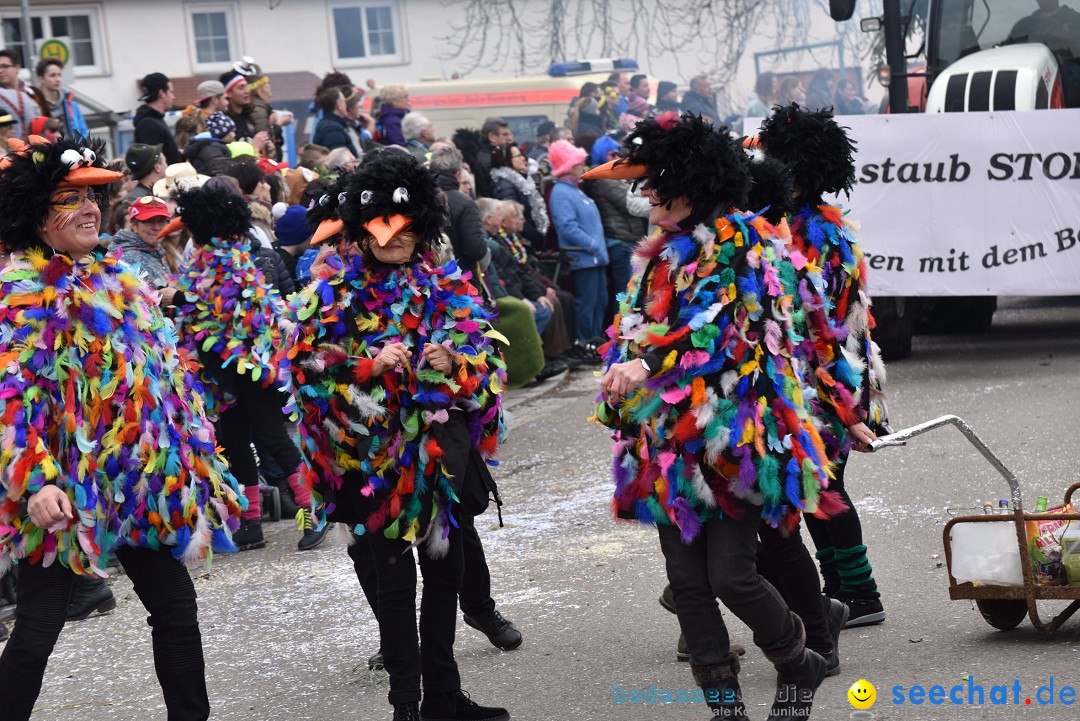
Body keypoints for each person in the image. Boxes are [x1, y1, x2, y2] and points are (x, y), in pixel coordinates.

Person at [587, 113, 870, 719]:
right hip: (665, 442)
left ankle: (801, 659)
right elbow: (634, 325)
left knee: (734, 577)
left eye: (654, 182)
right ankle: (726, 708)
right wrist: (618, 371)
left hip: (733, 439)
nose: (645, 194)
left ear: (691, 180)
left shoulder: (744, 243)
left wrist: (650, 362)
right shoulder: (658, 253)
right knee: (688, 584)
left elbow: (721, 324)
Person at [0, 134, 243, 721]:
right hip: (65, 495)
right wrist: (36, 483)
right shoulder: (19, 296)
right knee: (37, 627)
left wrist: (186, 459)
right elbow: (9, 402)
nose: (88, 208)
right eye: (67, 197)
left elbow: (164, 383)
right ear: (34, 212)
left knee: (177, 614)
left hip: (139, 486)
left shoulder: (121, 282)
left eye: (91, 196)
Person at [283, 149, 511, 721]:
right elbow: (302, 371)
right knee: (392, 579)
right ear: (362, 228)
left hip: (437, 458)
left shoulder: (444, 286)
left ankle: (443, 697)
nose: (394, 237)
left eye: (406, 227)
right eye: (382, 226)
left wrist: (455, 357)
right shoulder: (330, 293)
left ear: (423, 228)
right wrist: (366, 365)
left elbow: (487, 362)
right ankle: (404, 702)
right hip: (368, 461)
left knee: (445, 573)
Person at [758, 103, 890, 628]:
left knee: (826, 487)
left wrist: (837, 398)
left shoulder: (814, 234)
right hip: (818, 378)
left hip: (827, 379)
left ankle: (862, 592)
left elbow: (825, 327)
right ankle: (835, 585)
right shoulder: (795, 222)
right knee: (814, 489)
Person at [162, 186, 322, 552]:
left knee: (271, 436)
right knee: (234, 442)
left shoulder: (228, 257)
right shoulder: (209, 256)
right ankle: (250, 521)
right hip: (221, 370)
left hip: (250, 366)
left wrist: (180, 298)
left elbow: (227, 309)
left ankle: (312, 511)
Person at [548, 139, 608, 346]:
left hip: (594, 257)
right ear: (569, 166)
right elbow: (567, 226)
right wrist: (591, 244)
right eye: (579, 163)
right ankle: (585, 342)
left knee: (600, 301)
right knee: (588, 303)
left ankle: (595, 341)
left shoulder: (573, 189)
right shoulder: (562, 192)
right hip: (584, 257)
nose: (583, 166)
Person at [581, 134, 646, 306]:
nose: (617, 158)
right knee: (626, 294)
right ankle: (621, 330)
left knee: (632, 291)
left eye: (618, 153)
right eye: (612, 154)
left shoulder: (614, 176)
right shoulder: (604, 178)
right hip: (620, 241)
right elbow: (628, 202)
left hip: (627, 239)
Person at [428, 145, 491, 272]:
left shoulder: (420, 196)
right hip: (459, 277)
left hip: (427, 276)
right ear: (458, 174)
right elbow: (475, 249)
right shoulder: (465, 202)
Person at [109, 195, 176, 290]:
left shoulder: (155, 250)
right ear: (134, 225)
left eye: (161, 221)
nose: (156, 227)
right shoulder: (128, 258)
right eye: (149, 221)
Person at [490, 143, 550, 246]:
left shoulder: (523, 179)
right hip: (523, 241)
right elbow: (514, 218)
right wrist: (537, 237)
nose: (523, 158)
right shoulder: (505, 185)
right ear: (507, 160)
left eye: (522, 155)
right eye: (518, 156)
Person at [33, 58, 88, 139]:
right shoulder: (35, 103)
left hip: (74, 149)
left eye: (59, 75)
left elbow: (82, 128)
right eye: (52, 75)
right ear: (41, 79)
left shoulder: (69, 99)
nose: (58, 79)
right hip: (49, 150)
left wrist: (83, 147)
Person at [134, 73, 181, 164]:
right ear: (161, 93)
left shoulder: (155, 120)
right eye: (171, 92)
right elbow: (154, 164)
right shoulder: (148, 125)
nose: (173, 97)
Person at [0, 49, 42, 138]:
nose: (0, 71)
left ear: (17, 68)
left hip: (33, 147)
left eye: (5, 66)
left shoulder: (32, 93)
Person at [312, 88, 360, 157]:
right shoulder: (332, 129)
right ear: (338, 105)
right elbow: (340, 160)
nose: (346, 104)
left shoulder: (331, 125)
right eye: (344, 101)